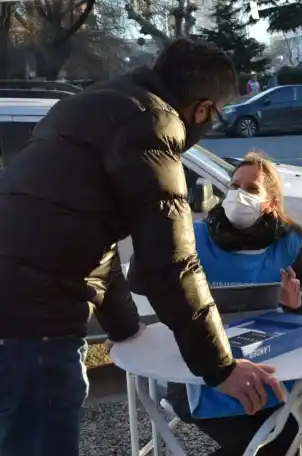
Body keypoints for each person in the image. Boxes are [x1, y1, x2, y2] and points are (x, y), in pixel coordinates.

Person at [0, 39, 282, 455]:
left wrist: (125, 327)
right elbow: (172, 264)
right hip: (35, 322)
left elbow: (92, 235)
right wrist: (220, 367)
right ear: (201, 109)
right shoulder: (154, 122)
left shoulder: (90, 104)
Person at [166, 152, 302, 456]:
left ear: (270, 201)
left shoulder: (286, 241)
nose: (239, 194)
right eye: (234, 185)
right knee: (277, 441)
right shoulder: (194, 236)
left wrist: (299, 298)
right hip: (201, 372)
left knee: (282, 436)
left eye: (251, 189)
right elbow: (146, 280)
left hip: (267, 367)